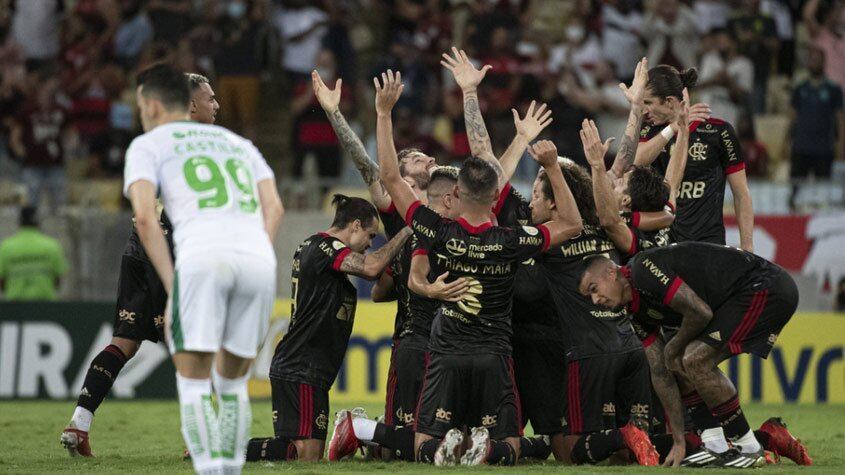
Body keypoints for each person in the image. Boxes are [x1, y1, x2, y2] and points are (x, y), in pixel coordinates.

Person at [375, 69, 584, 466]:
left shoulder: (436, 229)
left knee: (421, 444)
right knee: (512, 447)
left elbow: (390, 176)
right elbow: (572, 224)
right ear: (494, 198)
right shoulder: (510, 240)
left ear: (456, 193)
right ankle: (485, 449)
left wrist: (384, 113)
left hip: (445, 353)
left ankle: (443, 449)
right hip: (494, 355)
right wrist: (553, 167)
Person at [60, 71, 229, 458]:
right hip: (170, 252)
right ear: (190, 104)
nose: (217, 105)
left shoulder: (153, 141)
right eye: (210, 98)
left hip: (138, 248)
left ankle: (79, 423)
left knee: (124, 342)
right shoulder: (201, 146)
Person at [129, 65, 285, 475]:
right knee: (233, 385)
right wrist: (257, 253)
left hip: (202, 257)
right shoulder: (239, 143)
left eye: (141, 107)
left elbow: (145, 219)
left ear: (153, 105)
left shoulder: (149, 145)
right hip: (257, 260)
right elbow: (274, 208)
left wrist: (172, 285)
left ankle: (210, 470)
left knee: (194, 382)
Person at [578, 242, 803, 467]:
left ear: (611, 272)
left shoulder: (642, 270)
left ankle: (750, 448)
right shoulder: (634, 311)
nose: (596, 300)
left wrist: (672, 348)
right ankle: (714, 444)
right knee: (680, 360)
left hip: (765, 286)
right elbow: (660, 371)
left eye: (594, 288)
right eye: (589, 297)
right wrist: (678, 441)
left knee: (694, 359)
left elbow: (700, 312)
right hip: (740, 295)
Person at [253, 195, 410, 462]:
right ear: (355, 225)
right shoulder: (324, 246)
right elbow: (371, 267)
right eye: (371, 236)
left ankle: (227, 447)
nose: (370, 244)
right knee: (304, 454)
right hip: (300, 366)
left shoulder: (320, 250)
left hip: (309, 368)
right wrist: (406, 231)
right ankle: (227, 447)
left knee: (306, 453)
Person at [326, 167, 465, 463]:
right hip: (421, 342)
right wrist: (426, 289)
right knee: (428, 441)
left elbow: (380, 292)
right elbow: (384, 288)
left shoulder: (414, 235)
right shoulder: (432, 234)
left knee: (427, 438)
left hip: (430, 344)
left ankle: (367, 432)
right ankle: (360, 428)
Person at [636, 65, 754, 252]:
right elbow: (636, 162)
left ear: (669, 101)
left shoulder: (719, 132)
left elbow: (741, 194)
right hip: (662, 244)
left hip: (708, 244)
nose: (644, 111)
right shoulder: (650, 131)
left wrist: (747, 246)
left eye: (648, 103)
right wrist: (674, 127)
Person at [788, 47, 844, 180]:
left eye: (817, 60)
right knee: (796, 186)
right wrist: (787, 142)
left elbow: (840, 119)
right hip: (800, 147)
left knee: (822, 188)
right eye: (811, 60)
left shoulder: (834, 89)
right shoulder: (800, 89)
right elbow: (792, 118)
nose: (814, 63)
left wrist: (841, 144)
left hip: (823, 148)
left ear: (823, 62)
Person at [0, 206, 67, 300]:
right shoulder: (52, 246)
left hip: (15, 305)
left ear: (20, 222)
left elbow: (2, 281)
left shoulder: (6, 247)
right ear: (38, 222)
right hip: (45, 304)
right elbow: (57, 280)